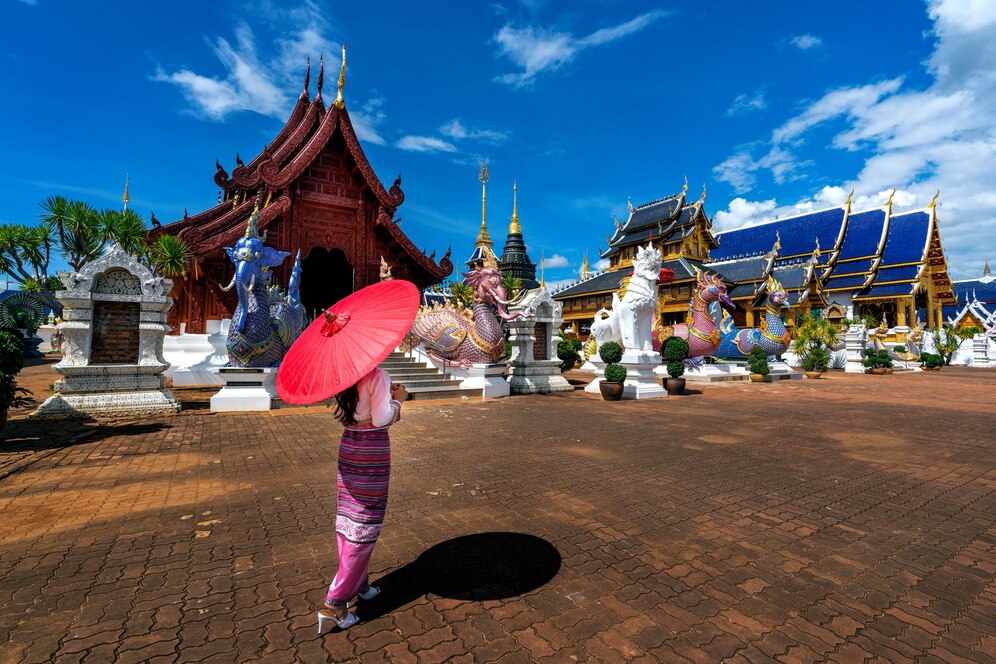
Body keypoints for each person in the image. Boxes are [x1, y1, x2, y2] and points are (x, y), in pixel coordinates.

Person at [317, 367, 408, 633]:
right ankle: (336, 603)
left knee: (350, 517)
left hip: (350, 445)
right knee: (365, 522)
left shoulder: (342, 375)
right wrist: (399, 399)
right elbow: (381, 419)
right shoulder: (377, 375)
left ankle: (361, 584)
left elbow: (358, 411)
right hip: (372, 449)